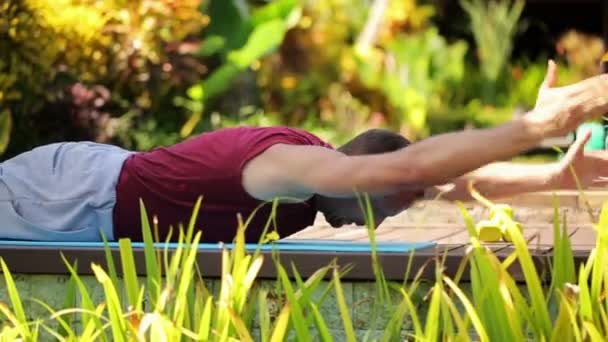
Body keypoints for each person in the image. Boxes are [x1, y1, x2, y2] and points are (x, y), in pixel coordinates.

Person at [3, 60, 608, 243]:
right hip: (71, 190)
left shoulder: (328, 178)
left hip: (95, 200)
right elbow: (414, 167)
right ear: (366, 181)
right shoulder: (289, 169)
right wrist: (535, 124)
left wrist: (555, 175)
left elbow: (447, 183)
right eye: (393, 204)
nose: (399, 212)